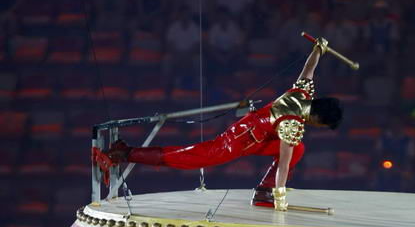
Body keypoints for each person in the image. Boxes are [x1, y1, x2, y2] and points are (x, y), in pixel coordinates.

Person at [102, 38, 343, 211]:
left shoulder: (302, 94)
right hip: (240, 140)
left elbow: (308, 70)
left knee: (298, 148)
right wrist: (280, 198)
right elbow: (283, 163)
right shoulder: (293, 123)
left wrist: (318, 49)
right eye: (322, 126)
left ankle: (263, 191)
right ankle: (126, 153)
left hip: (255, 133)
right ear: (318, 119)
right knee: (194, 157)